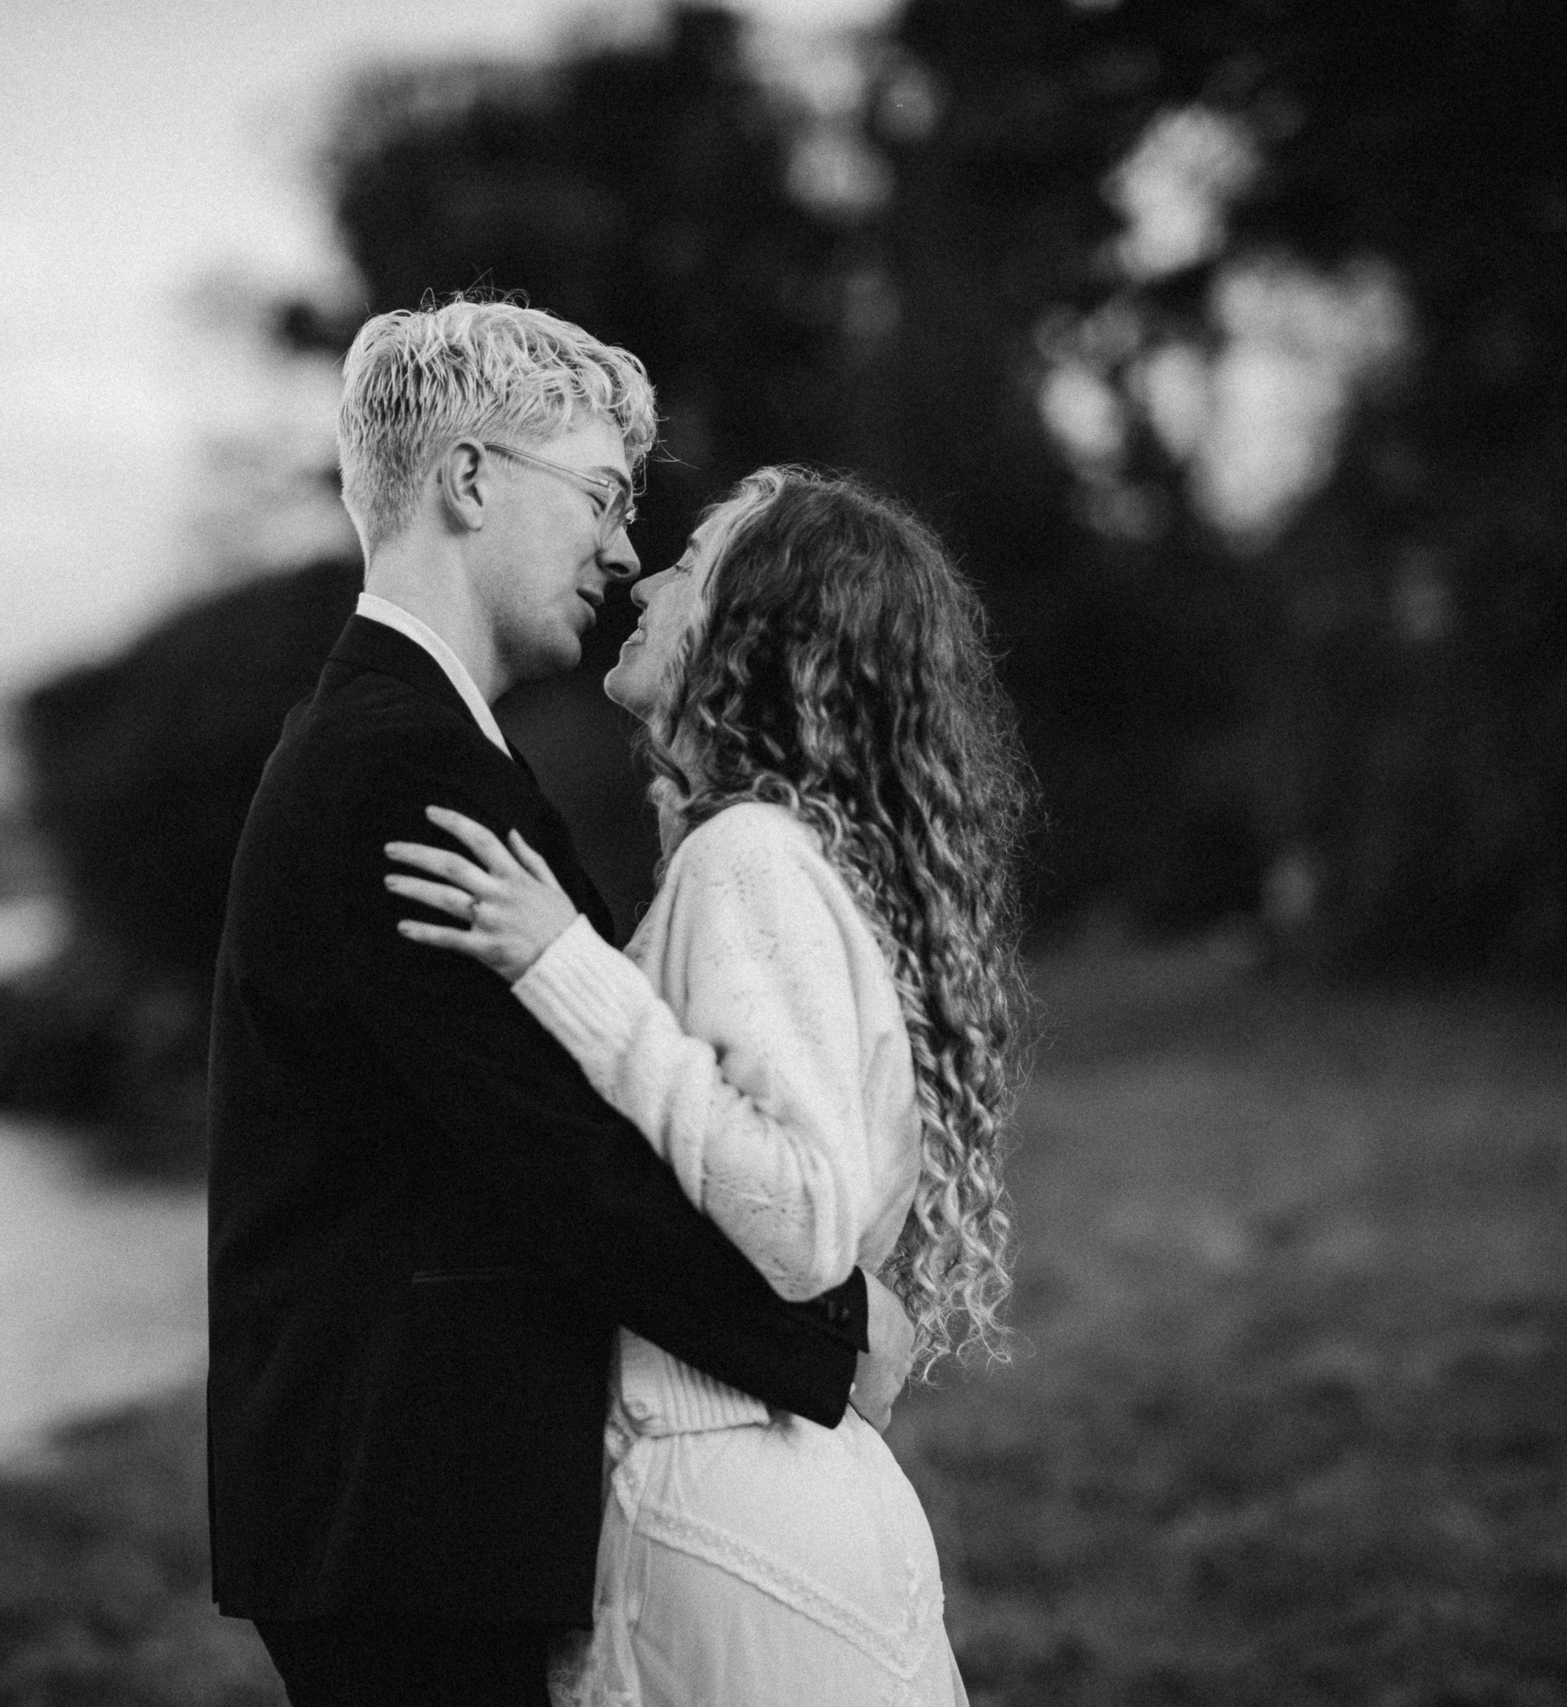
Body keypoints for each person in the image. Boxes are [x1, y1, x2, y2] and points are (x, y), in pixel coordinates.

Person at [204, 301, 914, 1707]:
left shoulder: (409, 742)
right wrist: (828, 1332)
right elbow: (560, 1155)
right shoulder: (400, 764)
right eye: (598, 495)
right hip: (405, 1518)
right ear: (470, 480)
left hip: (409, 1508)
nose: (625, 549)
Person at [387, 465, 1035, 1705]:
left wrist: (565, 966)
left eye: (690, 566)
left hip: (730, 1502)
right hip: (774, 1482)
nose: (644, 579)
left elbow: (800, 1221)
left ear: (754, 632)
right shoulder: (782, 856)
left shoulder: (749, 860)